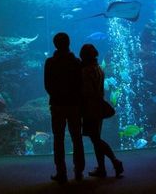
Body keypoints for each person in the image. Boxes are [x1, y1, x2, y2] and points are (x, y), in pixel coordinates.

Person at [44, 32, 85, 184]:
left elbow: (47, 86)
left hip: (57, 105)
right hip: (74, 105)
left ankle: (61, 172)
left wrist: (57, 96)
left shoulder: (50, 62)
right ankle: (79, 171)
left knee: (58, 139)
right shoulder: (77, 62)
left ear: (55, 45)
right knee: (77, 138)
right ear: (68, 43)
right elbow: (81, 84)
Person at [79, 43, 124, 178]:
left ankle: (115, 161)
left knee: (96, 139)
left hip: (90, 108)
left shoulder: (86, 71)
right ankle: (102, 168)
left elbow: (87, 92)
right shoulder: (99, 69)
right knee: (96, 138)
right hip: (99, 106)